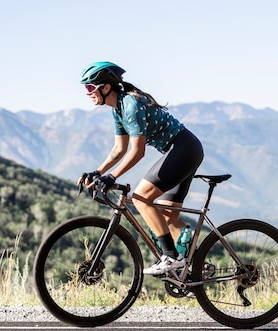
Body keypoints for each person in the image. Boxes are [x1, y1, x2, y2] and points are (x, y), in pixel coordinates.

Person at [77, 61, 204, 276]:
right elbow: (119, 149)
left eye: (90, 87)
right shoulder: (117, 109)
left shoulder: (131, 105)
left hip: (184, 149)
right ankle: (198, 266)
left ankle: (171, 257)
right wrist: (98, 172)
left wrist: (112, 176)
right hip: (183, 149)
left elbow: (137, 152)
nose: (87, 93)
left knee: (141, 197)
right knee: (167, 212)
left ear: (106, 87)